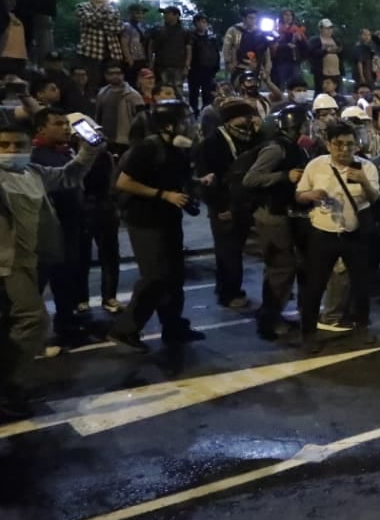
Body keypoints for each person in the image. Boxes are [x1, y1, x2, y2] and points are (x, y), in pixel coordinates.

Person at [0, 118, 101, 401]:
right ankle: (9, 386)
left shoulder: (33, 172)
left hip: (35, 257)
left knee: (11, 323)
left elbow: (70, 175)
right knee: (33, 320)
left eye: (18, 145)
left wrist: (90, 148)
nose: (10, 150)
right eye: (3, 145)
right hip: (8, 263)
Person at [106, 100, 203, 352]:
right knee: (155, 276)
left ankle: (173, 326)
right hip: (145, 220)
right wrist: (163, 195)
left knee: (174, 275)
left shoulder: (178, 148)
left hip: (168, 218)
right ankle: (125, 329)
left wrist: (197, 183)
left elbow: (175, 177)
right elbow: (124, 182)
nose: (190, 126)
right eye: (185, 121)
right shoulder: (148, 148)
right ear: (169, 125)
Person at [294, 121, 379, 347]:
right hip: (324, 233)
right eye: (338, 144)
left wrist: (363, 183)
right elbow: (299, 195)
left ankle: (362, 327)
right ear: (329, 145)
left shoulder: (366, 168)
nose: (344, 150)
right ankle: (309, 333)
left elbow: (375, 199)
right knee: (315, 285)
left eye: (350, 145)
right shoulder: (316, 166)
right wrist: (312, 195)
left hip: (354, 233)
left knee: (361, 284)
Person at [244, 103, 311, 341]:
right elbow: (251, 179)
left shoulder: (294, 147)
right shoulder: (276, 149)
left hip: (285, 212)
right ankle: (269, 321)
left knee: (282, 267)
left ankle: (273, 314)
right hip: (271, 216)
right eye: (304, 124)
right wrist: (284, 176)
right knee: (281, 268)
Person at [28, 107, 95, 347]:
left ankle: (66, 323)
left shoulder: (64, 151)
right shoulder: (35, 158)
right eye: (58, 124)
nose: (66, 128)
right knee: (37, 285)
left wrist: (90, 150)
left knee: (67, 279)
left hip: (71, 226)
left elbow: (72, 177)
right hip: (48, 231)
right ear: (40, 129)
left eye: (67, 123)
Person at [196, 99, 261, 311]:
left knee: (233, 250)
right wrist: (220, 207)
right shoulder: (212, 143)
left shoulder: (246, 138)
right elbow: (207, 179)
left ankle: (225, 287)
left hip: (242, 203)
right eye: (245, 116)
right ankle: (229, 293)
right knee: (228, 252)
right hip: (224, 206)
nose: (249, 121)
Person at [74, 0, 123, 91]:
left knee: (113, 83)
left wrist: (101, 25)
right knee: (93, 82)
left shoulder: (113, 9)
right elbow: (90, 20)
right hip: (91, 52)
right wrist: (103, 10)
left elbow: (119, 27)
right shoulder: (82, 7)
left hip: (112, 52)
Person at [93, 61, 145, 154]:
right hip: (105, 140)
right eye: (111, 73)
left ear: (123, 75)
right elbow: (98, 116)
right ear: (105, 75)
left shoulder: (133, 95)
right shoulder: (102, 93)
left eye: (118, 73)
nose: (115, 76)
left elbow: (141, 119)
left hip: (125, 140)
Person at [147, 6, 190, 92]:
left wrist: (187, 66)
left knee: (178, 90)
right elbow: (150, 47)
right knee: (162, 90)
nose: (164, 16)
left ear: (176, 15)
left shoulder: (184, 32)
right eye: (164, 13)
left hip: (178, 66)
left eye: (167, 13)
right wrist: (151, 62)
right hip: (161, 66)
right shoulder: (158, 30)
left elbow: (189, 49)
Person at [186, 14, 222, 112]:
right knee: (194, 93)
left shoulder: (212, 38)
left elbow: (216, 53)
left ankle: (205, 111)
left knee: (208, 93)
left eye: (204, 22)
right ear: (195, 23)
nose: (202, 24)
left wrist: (216, 67)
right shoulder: (190, 38)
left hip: (208, 70)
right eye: (199, 22)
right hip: (194, 70)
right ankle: (194, 112)